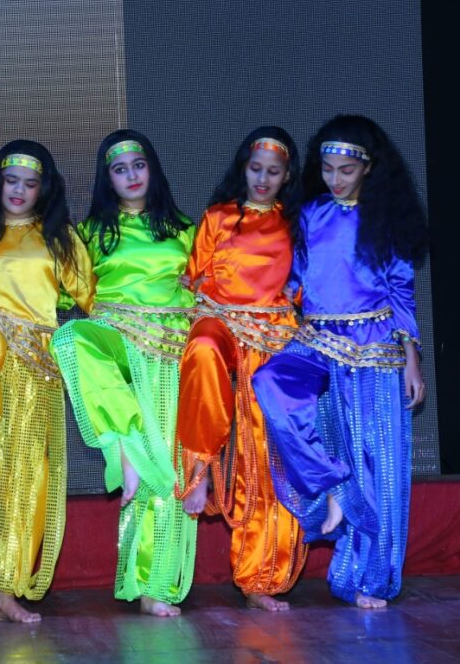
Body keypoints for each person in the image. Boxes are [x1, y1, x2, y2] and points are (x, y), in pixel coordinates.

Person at [252, 115, 428, 609]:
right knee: (271, 382)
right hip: (317, 339)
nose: (335, 178)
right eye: (327, 169)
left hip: (374, 346)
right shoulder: (310, 214)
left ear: (368, 168)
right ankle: (330, 487)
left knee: (377, 461)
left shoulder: (385, 219)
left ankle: (369, 579)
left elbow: (401, 292)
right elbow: (291, 282)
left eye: (346, 170)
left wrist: (412, 359)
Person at [0, 140, 94, 623]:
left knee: (26, 474)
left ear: (42, 190)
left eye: (30, 184)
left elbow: (93, 299)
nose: (19, 191)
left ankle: (6, 590)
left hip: (35, 368)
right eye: (11, 181)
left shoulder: (60, 239)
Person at [49, 130, 196, 616]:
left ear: (152, 169)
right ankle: (122, 446)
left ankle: (153, 585)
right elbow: (66, 295)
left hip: (169, 356)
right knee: (71, 339)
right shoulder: (91, 233)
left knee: (166, 468)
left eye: (138, 165)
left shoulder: (183, 229)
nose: (131, 176)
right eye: (119, 169)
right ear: (106, 178)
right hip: (118, 351)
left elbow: (205, 287)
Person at [176, 127, 307, 611]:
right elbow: (192, 280)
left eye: (273, 172)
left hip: (271, 335)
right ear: (243, 168)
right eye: (256, 169)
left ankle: (260, 579)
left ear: (287, 176)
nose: (263, 180)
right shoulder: (218, 217)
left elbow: (303, 287)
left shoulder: (294, 224)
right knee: (203, 349)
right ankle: (199, 467)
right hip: (222, 321)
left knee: (266, 453)